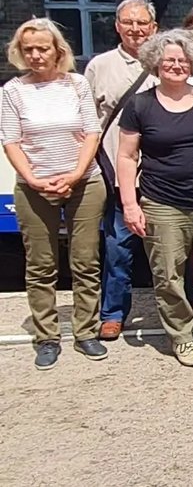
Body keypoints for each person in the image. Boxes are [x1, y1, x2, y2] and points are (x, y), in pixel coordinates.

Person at [115, 30, 193, 367]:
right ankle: (182, 337)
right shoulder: (140, 105)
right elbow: (126, 156)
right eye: (169, 59)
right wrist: (130, 204)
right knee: (168, 275)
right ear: (156, 62)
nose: (175, 65)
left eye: (182, 60)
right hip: (162, 203)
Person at [2, 19, 107, 370]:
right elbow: (11, 141)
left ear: (57, 50)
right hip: (35, 187)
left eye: (42, 48)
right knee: (41, 265)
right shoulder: (13, 90)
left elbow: (92, 133)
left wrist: (75, 174)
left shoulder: (76, 84)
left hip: (84, 183)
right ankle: (47, 337)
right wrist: (33, 179)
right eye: (28, 49)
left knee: (85, 261)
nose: (35, 55)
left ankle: (86, 331)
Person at [84, 0, 158, 341]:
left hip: (161, 176)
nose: (135, 29)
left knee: (172, 251)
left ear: (153, 28)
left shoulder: (167, 62)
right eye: (128, 22)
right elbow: (88, 124)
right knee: (118, 249)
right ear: (117, 26)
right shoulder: (99, 67)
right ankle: (113, 313)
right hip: (117, 175)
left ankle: (182, 308)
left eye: (142, 23)